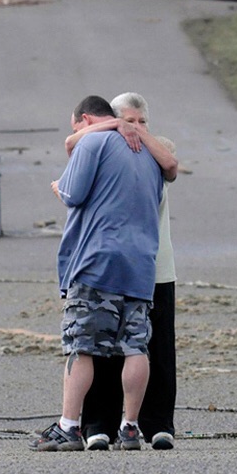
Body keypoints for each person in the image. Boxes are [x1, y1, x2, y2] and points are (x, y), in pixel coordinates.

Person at [32, 95, 163, 452]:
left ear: (85, 119)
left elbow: (73, 194)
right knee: (136, 346)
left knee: (81, 345)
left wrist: (59, 186)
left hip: (97, 261)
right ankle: (131, 427)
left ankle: (69, 426)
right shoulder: (149, 153)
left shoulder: (93, 140)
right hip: (141, 263)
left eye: (75, 128)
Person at [64, 93, 179, 451]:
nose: (135, 128)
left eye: (142, 122)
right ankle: (105, 425)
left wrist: (135, 133)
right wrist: (115, 128)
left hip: (145, 265)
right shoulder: (104, 144)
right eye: (129, 120)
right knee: (117, 350)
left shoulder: (156, 151)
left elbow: (172, 166)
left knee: (146, 349)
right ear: (112, 121)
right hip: (138, 263)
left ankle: (153, 424)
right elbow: (71, 142)